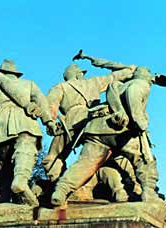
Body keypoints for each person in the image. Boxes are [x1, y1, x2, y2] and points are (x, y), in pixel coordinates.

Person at [51, 66, 157, 206]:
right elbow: (133, 93)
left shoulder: (118, 86)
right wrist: (140, 122)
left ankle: (61, 190)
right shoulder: (139, 84)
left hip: (97, 129)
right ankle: (149, 193)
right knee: (143, 159)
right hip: (120, 130)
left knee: (85, 164)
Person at [0, 59, 56, 205]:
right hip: (25, 121)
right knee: (25, 151)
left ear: (1, 72)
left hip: (0, 126)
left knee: (3, 163)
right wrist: (48, 121)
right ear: (16, 74)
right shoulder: (29, 84)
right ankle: (21, 181)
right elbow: (42, 102)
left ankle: (5, 195)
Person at [42, 58, 135, 181]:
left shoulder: (60, 87)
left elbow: (49, 107)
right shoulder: (93, 82)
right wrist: (130, 69)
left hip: (72, 121)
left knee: (54, 156)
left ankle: (54, 182)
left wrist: (51, 123)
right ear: (78, 74)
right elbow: (116, 76)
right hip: (95, 119)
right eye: (81, 73)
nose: (83, 75)